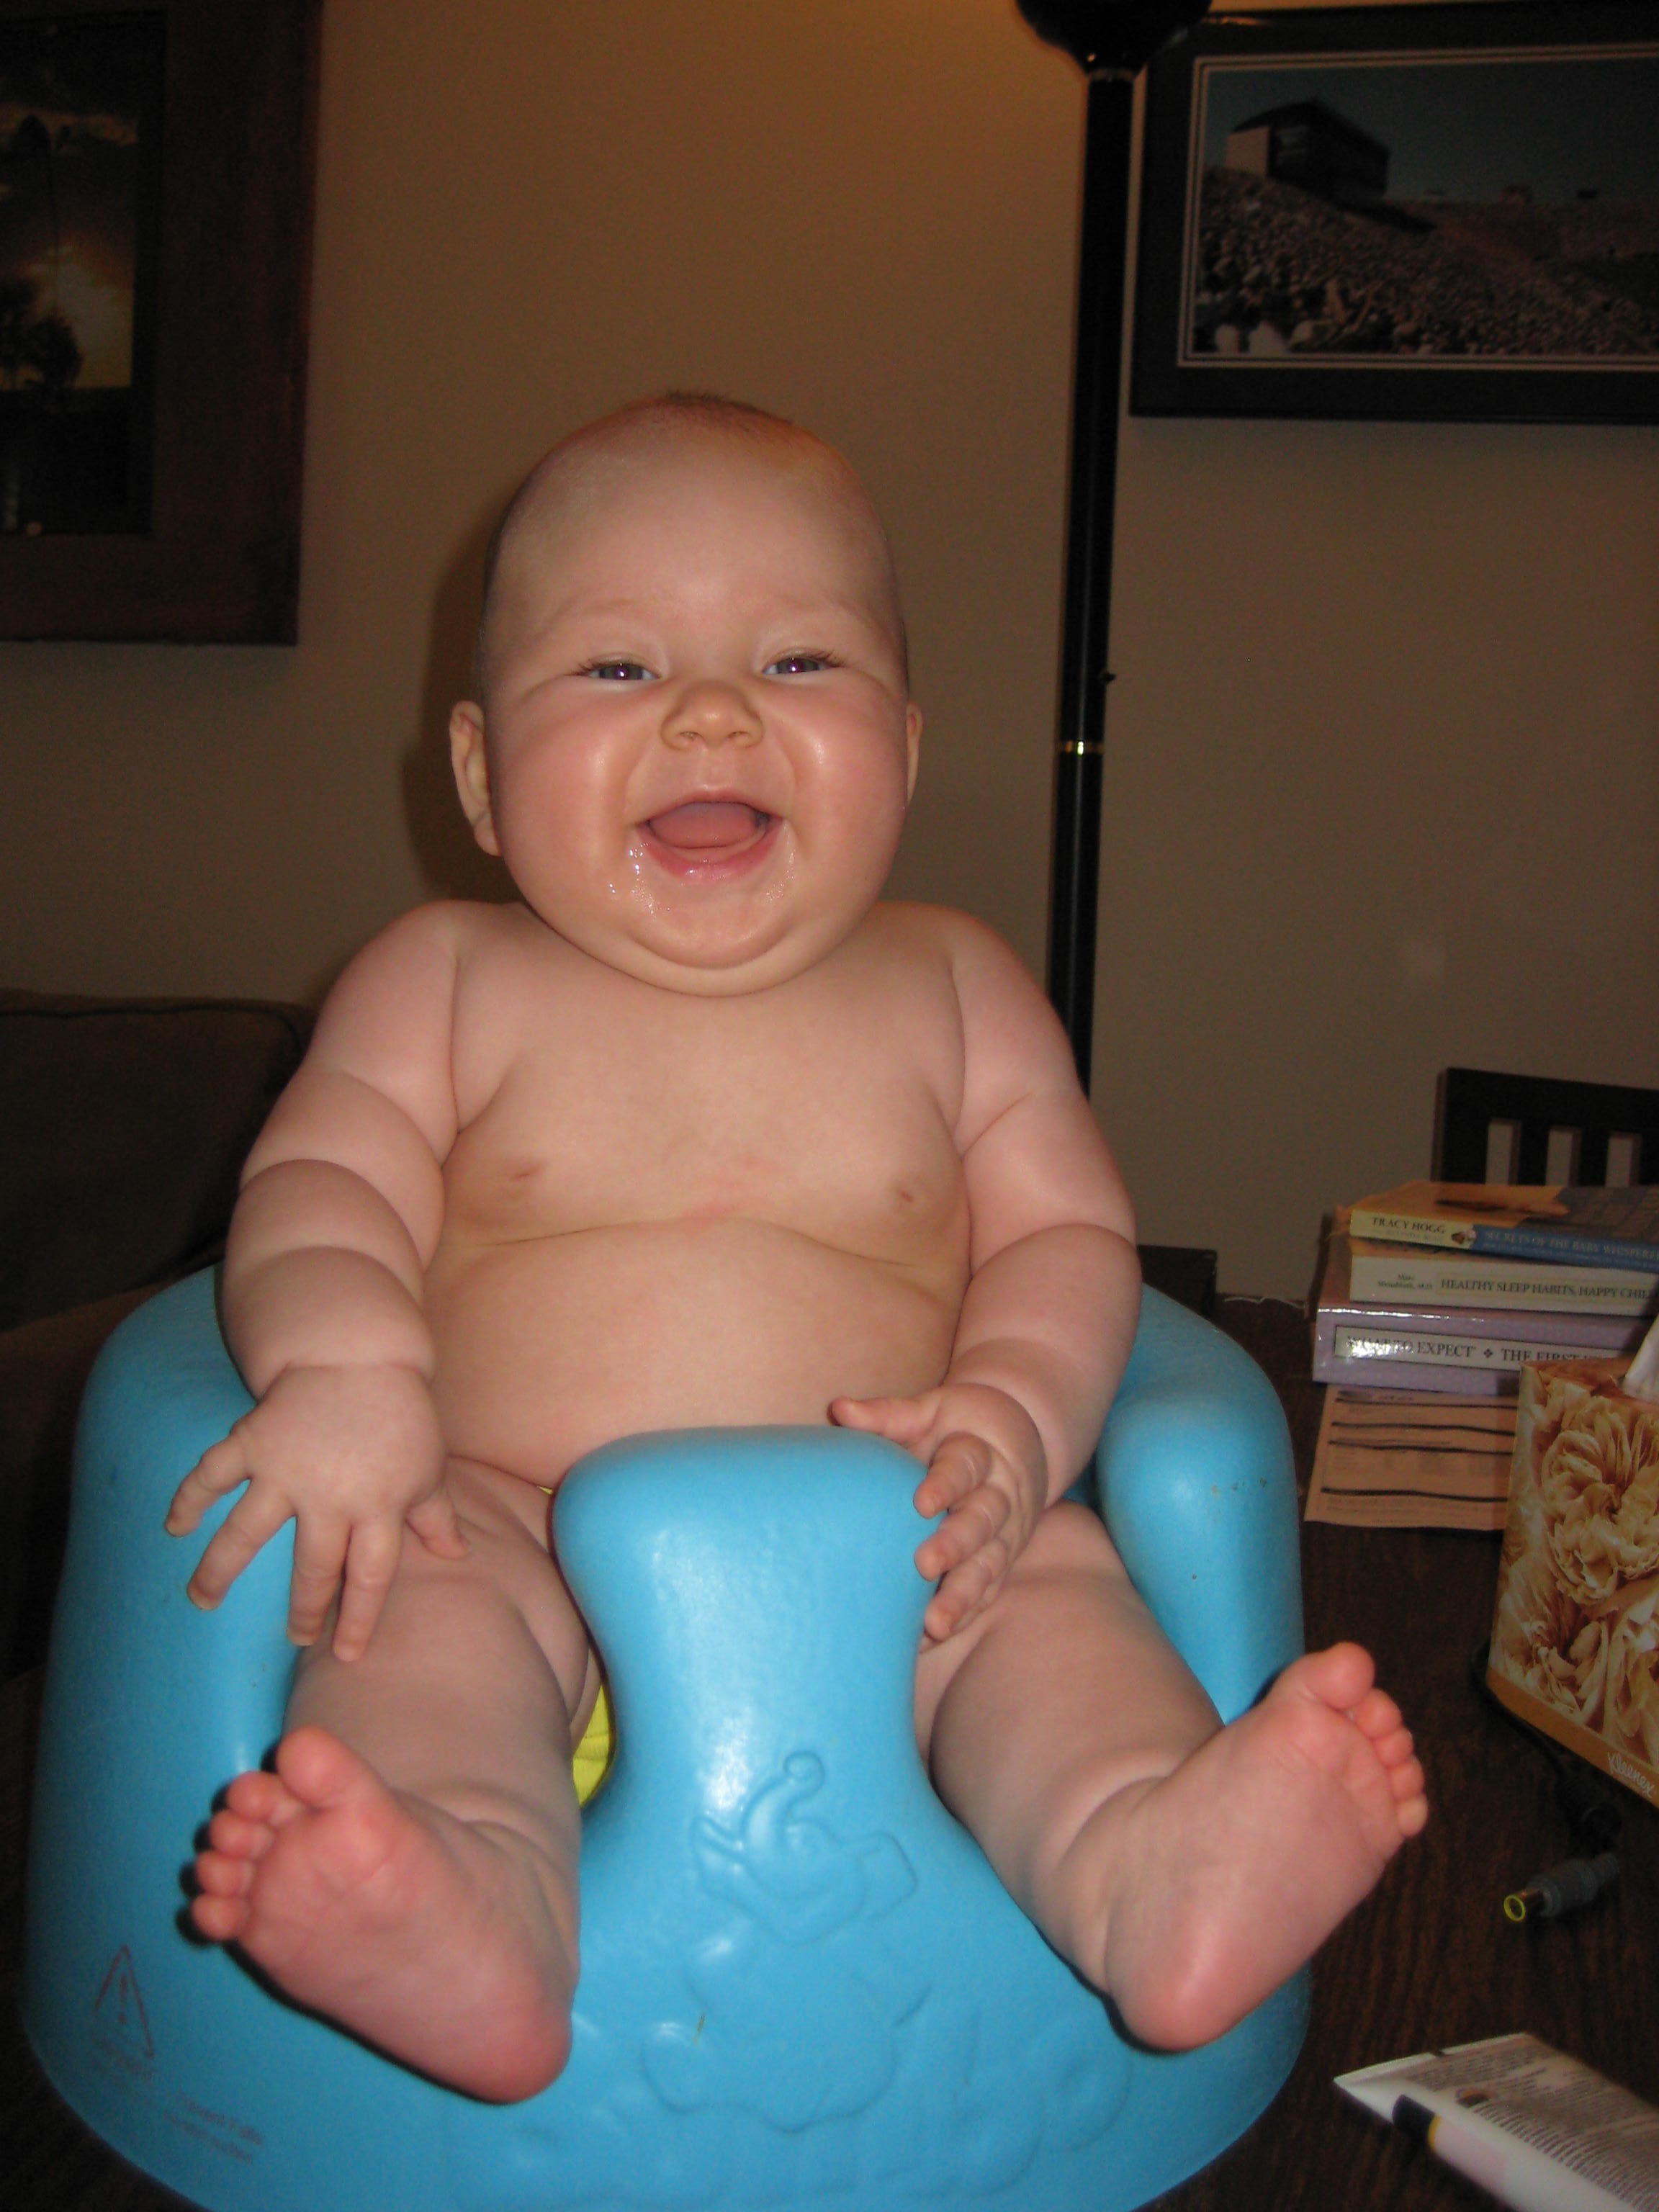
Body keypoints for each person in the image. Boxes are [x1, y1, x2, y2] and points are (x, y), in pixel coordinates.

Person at [168, 394, 1426, 2104]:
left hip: (904, 1533)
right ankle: (469, 1898)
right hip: (516, 1519)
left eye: (798, 663)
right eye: (617, 666)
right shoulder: (441, 979)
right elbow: (322, 1186)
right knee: (412, 1616)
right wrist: (348, 1371)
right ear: (477, 775)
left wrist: (1013, 1415)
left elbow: (1068, 1233)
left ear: (901, 748)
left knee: (1048, 1602)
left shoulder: (958, 985)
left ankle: (1148, 1861)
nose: (711, 712)